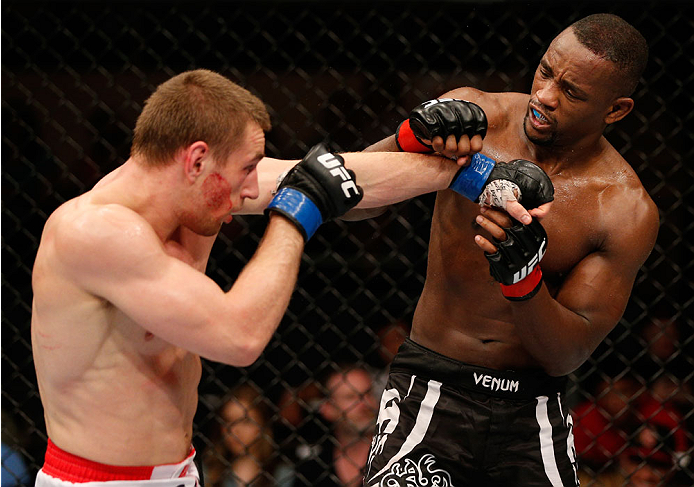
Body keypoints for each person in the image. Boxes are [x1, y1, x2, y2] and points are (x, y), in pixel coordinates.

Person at [30, 69, 546, 486]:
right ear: (196, 160)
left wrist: (473, 175)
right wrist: (294, 216)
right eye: (247, 169)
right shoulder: (96, 233)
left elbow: (335, 177)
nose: (253, 187)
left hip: (178, 470)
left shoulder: (198, 195)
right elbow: (238, 337)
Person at [360, 13, 660, 487]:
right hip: (431, 385)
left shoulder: (623, 209)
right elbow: (351, 201)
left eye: (572, 92)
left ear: (616, 111)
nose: (544, 95)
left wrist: (523, 278)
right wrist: (406, 138)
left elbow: (567, 354)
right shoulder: (477, 115)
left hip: (533, 408)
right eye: (545, 72)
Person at [292, 365, 377, 487]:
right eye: (351, 397)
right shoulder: (312, 469)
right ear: (327, 409)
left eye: (368, 394)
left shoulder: (400, 460)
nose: (365, 405)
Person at [202, 384, 290, 487]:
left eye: (246, 421)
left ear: (262, 424)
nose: (235, 431)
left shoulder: (283, 475)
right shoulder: (205, 472)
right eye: (228, 421)